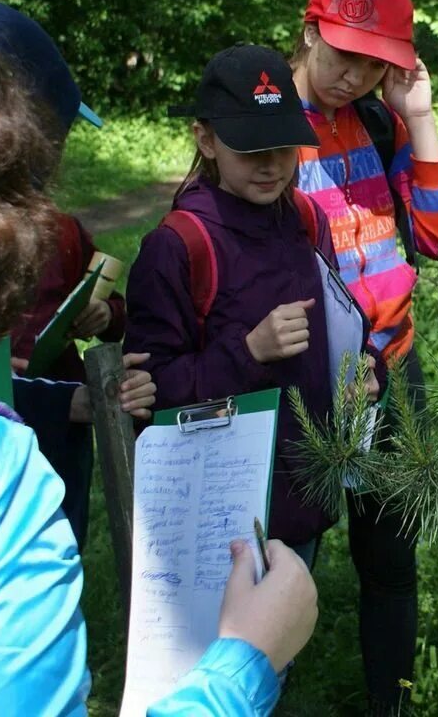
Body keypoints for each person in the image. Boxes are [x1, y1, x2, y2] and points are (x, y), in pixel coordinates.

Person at [0, 0, 317, 715]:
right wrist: (243, 669)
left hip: (290, 473)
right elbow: (159, 379)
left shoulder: (299, 221)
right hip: (206, 492)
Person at [290, 0, 438, 715]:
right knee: (283, 558)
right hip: (298, 381)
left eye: (373, 64)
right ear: (308, 34)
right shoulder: (262, 120)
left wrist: (419, 119)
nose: (353, 76)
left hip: (392, 369)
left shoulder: (382, 122)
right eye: (341, 56)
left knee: (390, 560)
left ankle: (388, 705)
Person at [125, 44, 371, 570]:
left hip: (304, 489)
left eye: (284, 147)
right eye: (249, 149)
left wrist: (365, 372)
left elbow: (338, 325)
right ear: (205, 140)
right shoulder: (177, 246)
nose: (270, 165)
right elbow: (153, 395)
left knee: (284, 645)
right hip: (219, 509)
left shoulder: (305, 219)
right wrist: (250, 350)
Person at [0, 0, 131, 549]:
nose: (58, 155)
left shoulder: (61, 231)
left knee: (62, 544)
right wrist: (58, 401)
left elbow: (110, 304)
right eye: (53, 138)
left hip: (61, 438)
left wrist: (104, 311)